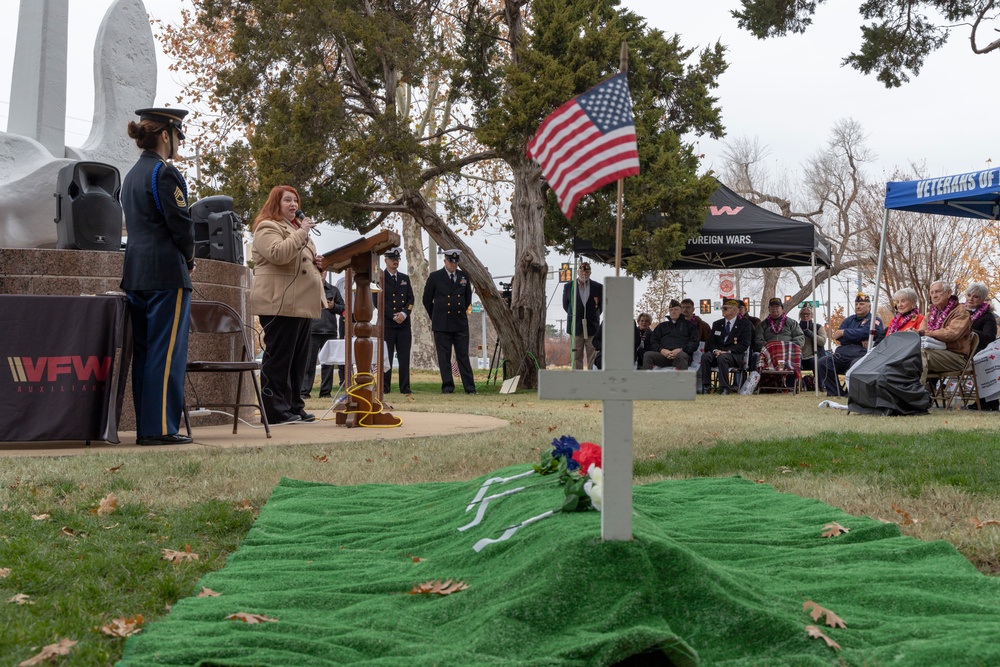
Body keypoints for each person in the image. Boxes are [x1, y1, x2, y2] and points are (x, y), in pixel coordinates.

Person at [120, 107, 195, 446]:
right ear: (166, 135)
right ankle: (161, 428)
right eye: (178, 135)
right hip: (166, 273)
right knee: (166, 354)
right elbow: (181, 224)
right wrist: (189, 259)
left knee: (147, 354)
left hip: (137, 273)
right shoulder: (164, 172)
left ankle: (148, 427)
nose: (178, 142)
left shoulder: (132, 175)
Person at [250, 185, 325, 424]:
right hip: (279, 303)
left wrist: (318, 266)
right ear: (275, 204)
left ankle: (294, 406)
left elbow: (301, 266)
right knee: (280, 358)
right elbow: (278, 254)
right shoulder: (267, 227)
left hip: (301, 303)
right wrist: (302, 232)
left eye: (296, 201)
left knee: (298, 359)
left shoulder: (296, 230)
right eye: (287, 201)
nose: (294, 205)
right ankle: (273, 410)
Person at [423, 249, 476, 394]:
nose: (454, 265)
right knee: (444, 357)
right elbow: (426, 299)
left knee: (463, 356)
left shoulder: (463, 276)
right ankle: (447, 386)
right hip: (442, 323)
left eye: (456, 262)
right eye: (451, 262)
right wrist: (436, 315)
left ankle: (470, 387)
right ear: (445, 261)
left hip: (460, 323)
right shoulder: (435, 277)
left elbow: (467, 299)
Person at [817, 293, 885, 397]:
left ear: (869, 307)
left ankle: (852, 393)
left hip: (860, 355)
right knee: (823, 362)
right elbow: (837, 336)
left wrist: (845, 333)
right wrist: (858, 337)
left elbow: (867, 332)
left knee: (856, 364)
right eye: (857, 304)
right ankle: (836, 392)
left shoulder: (874, 320)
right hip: (842, 354)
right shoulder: (849, 320)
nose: (858, 306)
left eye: (862, 304)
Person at [917, 280, 971, 385]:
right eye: (932, 293)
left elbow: (950, 334)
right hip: (933, 351)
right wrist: (913, 332)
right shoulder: (929, 314)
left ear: (949, 293)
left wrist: (926, 333)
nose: (934, 296)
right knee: (908, 353)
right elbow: (920, 332)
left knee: (919, 355)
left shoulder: (961, 311)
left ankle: (916, 395)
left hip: (956, 356)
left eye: (938, 292)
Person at [301, 280, 345, 399]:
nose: (321, 273)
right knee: (309, 363)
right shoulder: (308, 288)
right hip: (312, 330)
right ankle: (304, 392)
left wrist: (333, 306)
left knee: (328, 364)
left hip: (330, 331)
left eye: (324, 270)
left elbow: (343, 309)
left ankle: (325, 392)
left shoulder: (334, 290)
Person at [380, 247, 414, 395]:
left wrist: (404, 314)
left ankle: (405, 387)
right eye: (392, 259)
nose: (395, 261)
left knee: (404, 357)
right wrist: (393, 315)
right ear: (385, 260)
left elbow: (411, 300)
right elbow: (378, 301)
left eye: (397, 259)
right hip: (388, 324)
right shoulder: (379, 278)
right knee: (386, 357)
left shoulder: (404, 278)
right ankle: (384, 387)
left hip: (404, 324)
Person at [700, 298, 752, 394]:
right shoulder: (717, 324)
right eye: (722, 308)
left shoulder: (744, 324)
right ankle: (706, 386)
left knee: (722, 358)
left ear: (734, 310)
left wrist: (727, 351)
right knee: (705, 357)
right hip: (718, 353)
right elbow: (711, 342)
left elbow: (744, 344)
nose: (722, 310)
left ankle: (724, 387)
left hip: (734, 355)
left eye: (725, 308)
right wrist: (715, 350)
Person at [562, 262, 603, 369]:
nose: (584, 273)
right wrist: (577, 315)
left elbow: (600, 306)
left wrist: (593, 316)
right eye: (581, 271)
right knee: (576, 356)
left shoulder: (598, 287)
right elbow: (566, 306)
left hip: (592, 327)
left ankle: (592, 379)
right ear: (578, 272)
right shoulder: (569, 286)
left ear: (590, 273)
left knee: (592, 355)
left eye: (587, 271)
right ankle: (577, 379)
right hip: (575, 326)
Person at [964, 282, 997, 410]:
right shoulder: (959, 312)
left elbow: (990, 338)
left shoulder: (987, 316)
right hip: (957, 348)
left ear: (982, 299)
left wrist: (970, 330)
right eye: (968, 295)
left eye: (975, 296)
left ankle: (988, 401)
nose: (970, 299)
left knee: (982, 360)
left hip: (979, 350)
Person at [640, 300, 699, 370]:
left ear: (681, 311)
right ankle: (646, 380)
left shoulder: (690, 326)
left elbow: (694, 343)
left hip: (680, 356)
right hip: (663, 356)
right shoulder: (662, 326)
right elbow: (653, 342)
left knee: (682, 355)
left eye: (676, 309)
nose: (673, 312)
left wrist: (681, 349)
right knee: (648, 355)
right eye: (671, 310)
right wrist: (661, 350)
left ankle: (682, 380)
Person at [798, 304, 827, 373]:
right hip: (799, 357)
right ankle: (797, 383)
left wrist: (811, 335)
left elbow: (822, 341)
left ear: (812, 315)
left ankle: (819, 383)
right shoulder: (796, 328)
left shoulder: (818, 327)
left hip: (813, 357)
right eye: (803, 314)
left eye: (808, 314)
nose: (805, 316)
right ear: (800, 315)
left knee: (816, 363)